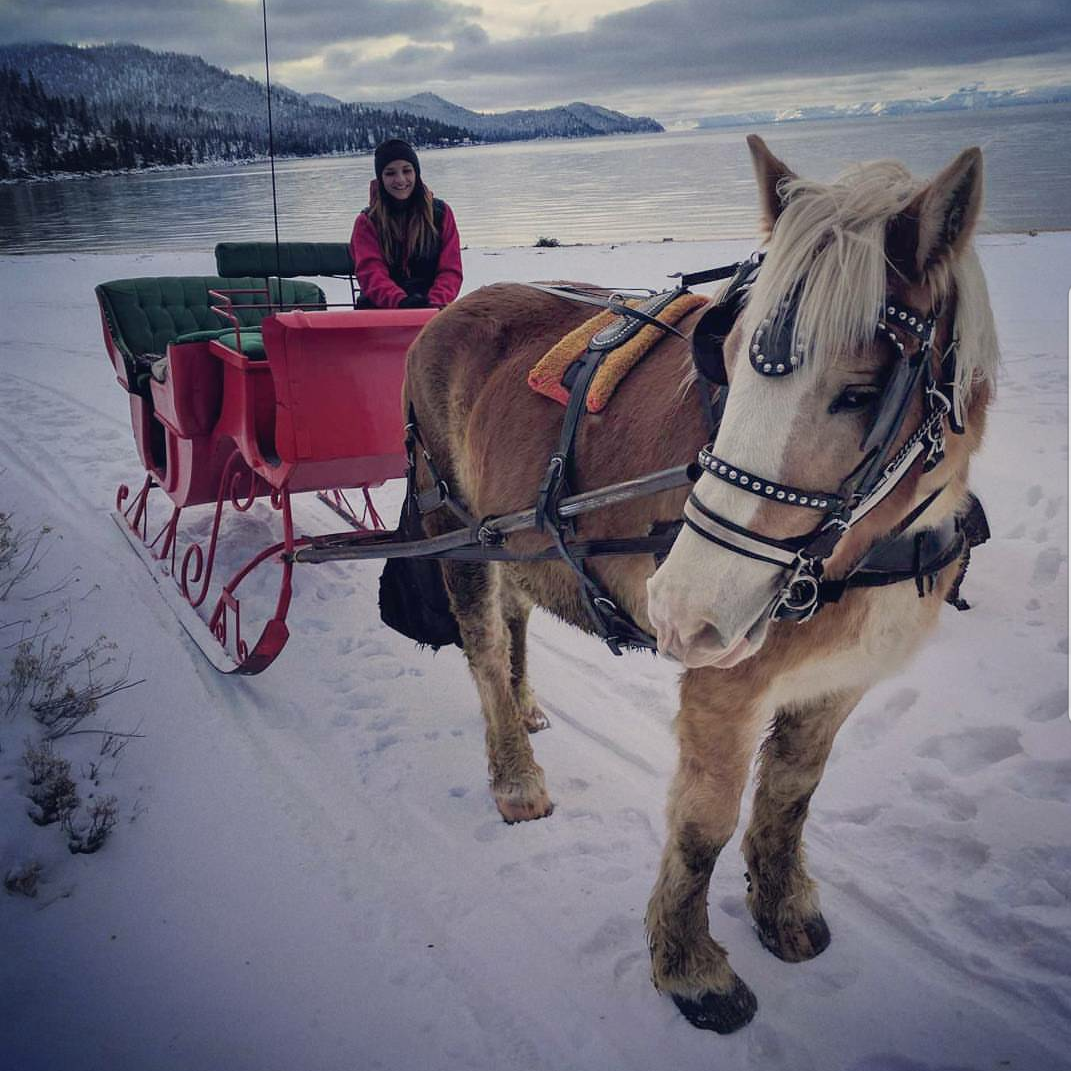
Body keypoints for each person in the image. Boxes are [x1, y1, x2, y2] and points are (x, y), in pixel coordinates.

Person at [349, 138, 463, 309]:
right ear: (380, 178)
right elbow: (371, 274)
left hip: (434, 311)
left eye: (407, 170)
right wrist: (400, 302)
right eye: (390, 173)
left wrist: (434, 303)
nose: (400, 180)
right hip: (382, 312)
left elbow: (450, 270)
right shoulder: (367, 222)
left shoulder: (441, 214)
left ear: (416, 173)